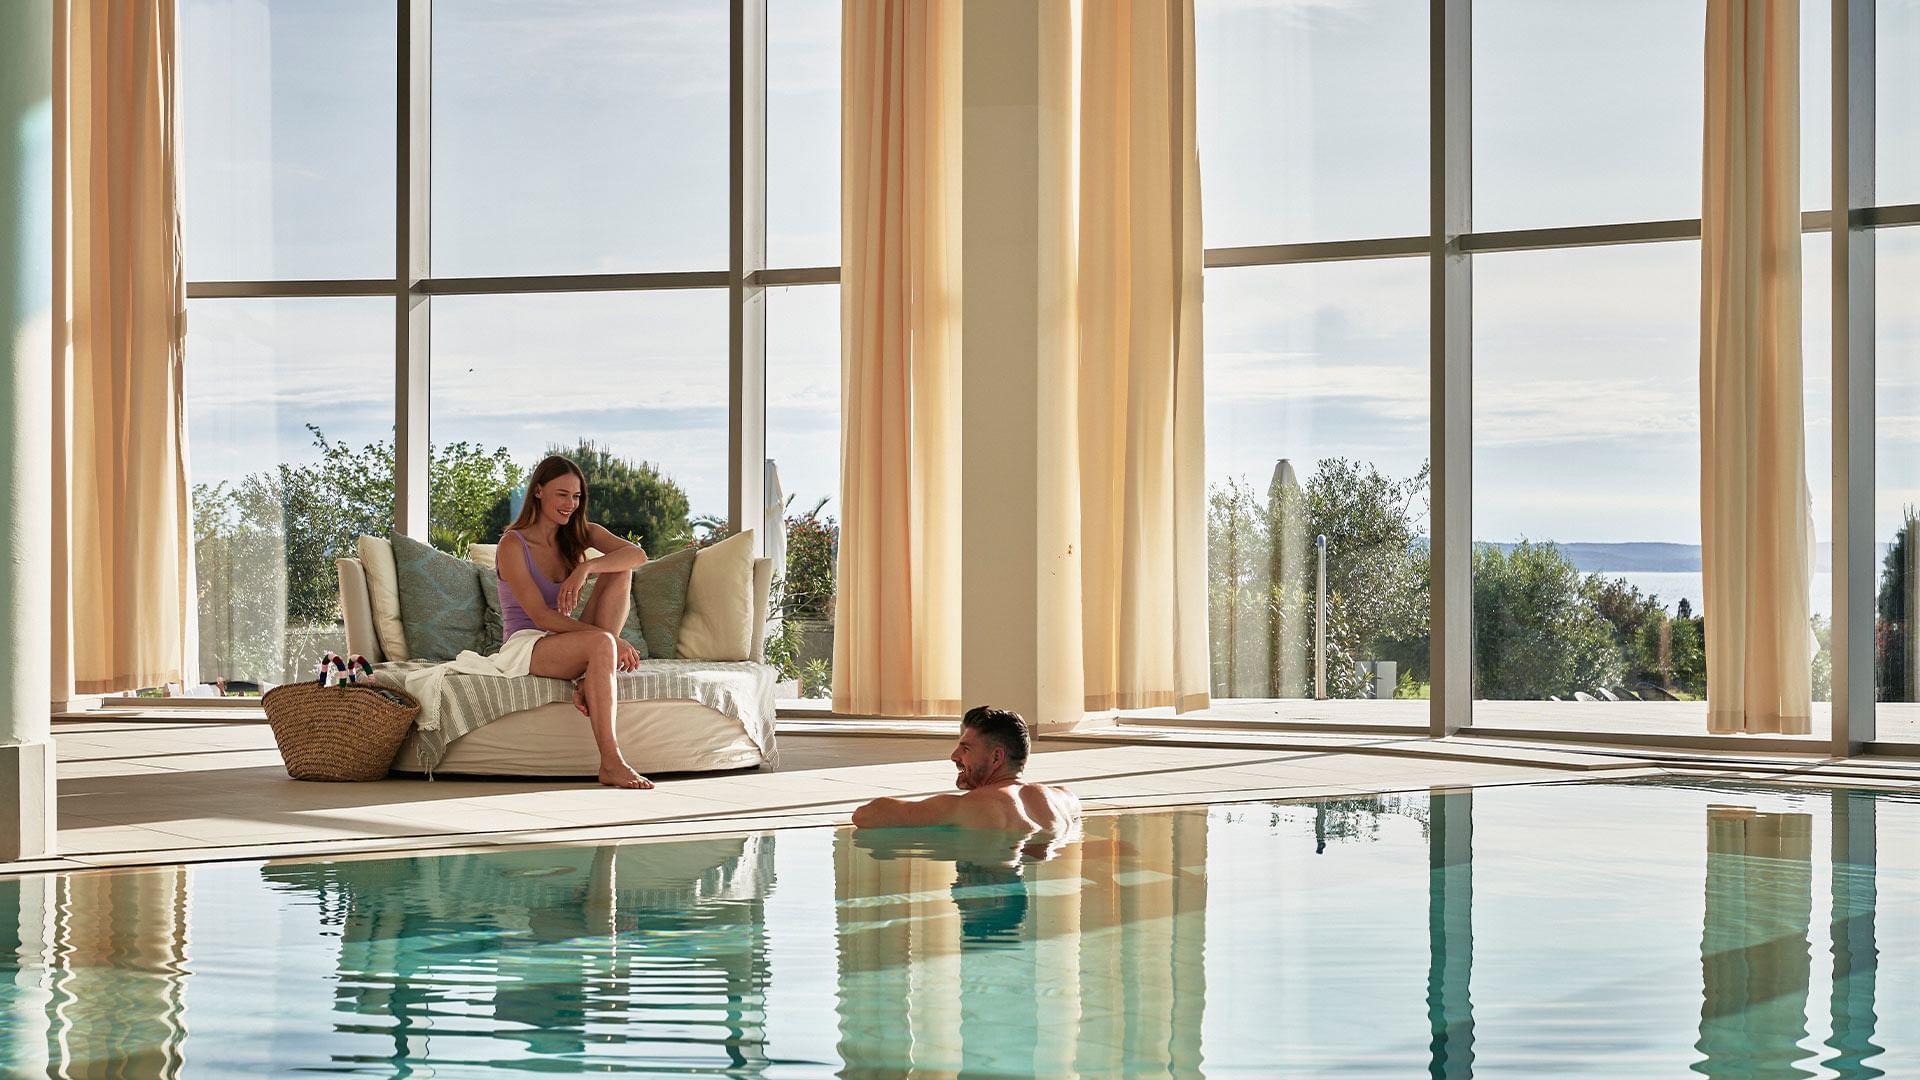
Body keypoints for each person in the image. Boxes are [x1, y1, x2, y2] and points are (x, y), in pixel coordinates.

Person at [493, 454, 653, 790]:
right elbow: (541, 617)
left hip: (563, 638)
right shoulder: (513, 543)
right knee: (601, 643)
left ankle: (589, 675)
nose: (571, 504)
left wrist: (586, 568)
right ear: (538, 491)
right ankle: (612, 762)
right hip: (527, 645)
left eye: (577, 496)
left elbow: (637, 556)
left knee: (619, 569)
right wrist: (611, 641)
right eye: (562, 494)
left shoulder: (577, 534)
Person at [850, 706, 1081, 834]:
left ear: (996, 757)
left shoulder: (967, 807)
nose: (954, 756)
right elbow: (1075, 805)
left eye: (966, 748)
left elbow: (866, 815)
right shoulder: (1060, 798)